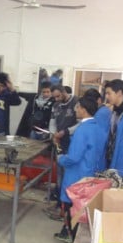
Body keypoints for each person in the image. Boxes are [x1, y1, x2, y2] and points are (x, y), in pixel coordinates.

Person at [54, 97, 104, 243]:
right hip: (89, 175)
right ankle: (76, 242)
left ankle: (71, 242)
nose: (76, 110)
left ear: (83, 109)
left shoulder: (82, 130)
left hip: (76, 176)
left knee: (72, 211)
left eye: (77, 107)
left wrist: (61, 158)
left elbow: (74, 157)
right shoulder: (98, 128)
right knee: (82, 212)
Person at [44, 85, 78, 220]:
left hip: (71, 143)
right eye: (54, 97)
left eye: (58, 96)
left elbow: (81, 123)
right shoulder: (56, 105)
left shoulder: (76, 102)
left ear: (64, 92)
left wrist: (66, 132)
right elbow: (52, 122)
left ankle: (67, 206)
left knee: (67, 174)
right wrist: (53, 134)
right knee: (59, 173)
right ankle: (59, 203)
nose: (56, 99)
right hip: (59, 143)